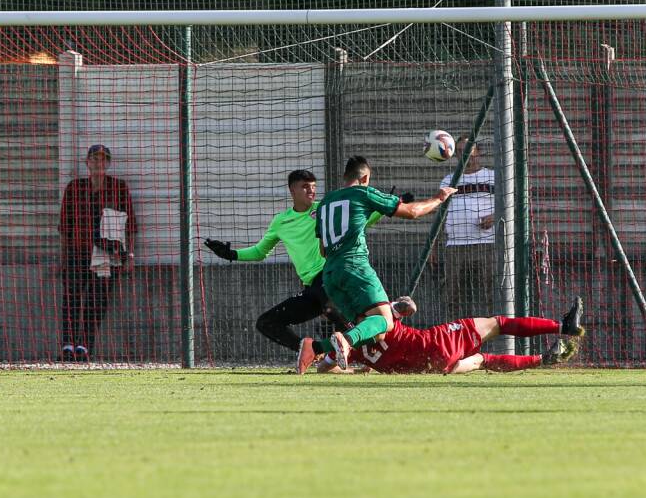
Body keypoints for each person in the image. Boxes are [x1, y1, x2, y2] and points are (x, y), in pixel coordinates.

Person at [204, 169, 366, 364]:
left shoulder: (324, 209)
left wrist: (387, 207)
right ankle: (311, 351)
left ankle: (369, 351)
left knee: (331, 309)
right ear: (292, 190)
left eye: (313, 187)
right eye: (305, 187)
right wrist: (230, 254)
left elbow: (358, 220)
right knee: (266, 323)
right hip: (311, 288)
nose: (311, 191)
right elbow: (259, 252)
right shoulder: (281, 221)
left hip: (329, 277)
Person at [313, 155, 457, 371]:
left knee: (375, 329)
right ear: (365, 177)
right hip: (355, 266)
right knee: (385, 320)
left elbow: (323, 249)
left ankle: (315, 349)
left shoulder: (325, 203)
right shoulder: (363, 192)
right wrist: (439, 197)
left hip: (330, 274)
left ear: (345, 176)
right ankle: (344, 342)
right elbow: (413, 212)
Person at [317, 295, 584, 374]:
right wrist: (399, 304)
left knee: (482, 360)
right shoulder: (378, 318)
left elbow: (324, 370)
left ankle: (542, 360)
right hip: (437, 342)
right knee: (498, 323)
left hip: (428, 368)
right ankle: (562, 327)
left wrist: (353, 370)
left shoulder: (346, 347)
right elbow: (410, 306)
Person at [58, 144, 137, 362]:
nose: (98, 163)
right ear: (87, 163)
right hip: (77, 252)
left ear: (108, 163)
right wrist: (63, 258)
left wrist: (129, 254)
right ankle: (67, 345)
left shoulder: (118, 188)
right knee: (71, 299)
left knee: (97, 300)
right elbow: (65, 226)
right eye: (94, 159)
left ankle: (84, 346)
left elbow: (130, 224)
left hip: (106, 256)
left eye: (103, 160)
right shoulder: (74, 188)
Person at [439, 135, 495, 319]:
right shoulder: (449, 181)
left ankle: (494, 331)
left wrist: (494, 217)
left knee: (491, 291)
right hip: (455, 246)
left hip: (486, 244)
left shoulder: (491, 177)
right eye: (461, 152)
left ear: (478, 152)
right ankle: (454, 333)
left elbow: (509, 206)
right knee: (452, 294)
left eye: (470, 151)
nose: (466, 156)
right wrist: (433, 248)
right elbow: (441, 215)